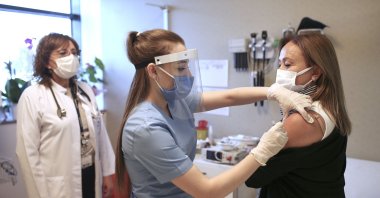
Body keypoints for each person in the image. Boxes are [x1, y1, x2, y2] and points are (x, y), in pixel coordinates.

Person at [115, 29, 314, 198]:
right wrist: (261, 152)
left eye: (188, 66)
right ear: (153, 71)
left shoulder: (175, 101)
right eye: (181, 68)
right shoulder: (145, 128)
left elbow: (230, 97)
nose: (189, 75)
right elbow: (207, 191)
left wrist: (272, 92)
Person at [245, 33, 351, 198]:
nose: (280, 71)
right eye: (279, 63)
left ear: (316, 72)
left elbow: (252, 177)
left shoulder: (301, 120)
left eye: (287, 64)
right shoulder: (331, 108)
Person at [16, 33, 115, 198]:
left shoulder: (85, 90)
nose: (71, 57)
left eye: (74, 53)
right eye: (63, 53)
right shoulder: (33, 96)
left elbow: (100, 135)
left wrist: (106, 172)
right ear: (47, 61)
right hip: (57, 185)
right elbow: (27, 153)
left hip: (91, 175)